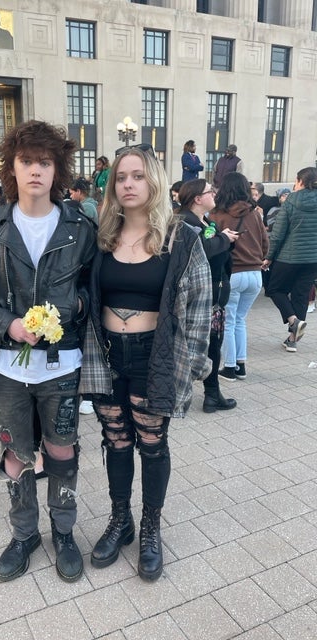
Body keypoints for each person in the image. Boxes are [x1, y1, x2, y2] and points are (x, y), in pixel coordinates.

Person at [0, 120, 97, 583]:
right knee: (16, 454)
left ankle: (64, 532)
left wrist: (72, 307)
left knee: (61, 450)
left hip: (62, 364)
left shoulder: (80, 227)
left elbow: (93, 291)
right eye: (26, 161)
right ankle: (23, 533)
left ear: (57, 170)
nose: (35, 170)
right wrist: (10, 323)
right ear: (11, 169)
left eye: (44, 162)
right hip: (7, 369)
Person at [80, 146, 212, 582]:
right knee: (115, 438)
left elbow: (198, 305)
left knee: (152, 443)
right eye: (121, 177)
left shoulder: (181, 237)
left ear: (153, 181)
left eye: (137, 176)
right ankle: (122, 520)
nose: (128, 184)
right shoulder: (101, 235)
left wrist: (192, 364)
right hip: (105, 354)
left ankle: (151, 527)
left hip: (154, 355)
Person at [178, 179, 238, 412]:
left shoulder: (205, 221)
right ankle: (187, 392)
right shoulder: (184, 223)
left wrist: (225, 240)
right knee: (193, 344)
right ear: (197, 198)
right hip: (198, 297)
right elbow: (200, 251)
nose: (214, 194)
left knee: (213, 345)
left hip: (215, 296)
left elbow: (215, 253)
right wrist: (224, 239)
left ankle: (212, 394)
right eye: (209, 191)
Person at [208, 173, 268, 380]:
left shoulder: (217, 214)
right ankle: (241, 364)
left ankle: (230, 367)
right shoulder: (255, 213)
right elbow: (265, 242)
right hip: (255, 273)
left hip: (232, 273)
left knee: (229, 321)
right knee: (240, 320)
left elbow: (212, 244)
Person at [263, 167, 317, 352]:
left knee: (275, 289)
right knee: (301, 296)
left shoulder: (291, 201)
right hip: (313, 258)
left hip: (289, 256)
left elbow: (277, 234)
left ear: (300, 181)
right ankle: (292, 340)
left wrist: (269, 257)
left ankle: (293, 321)